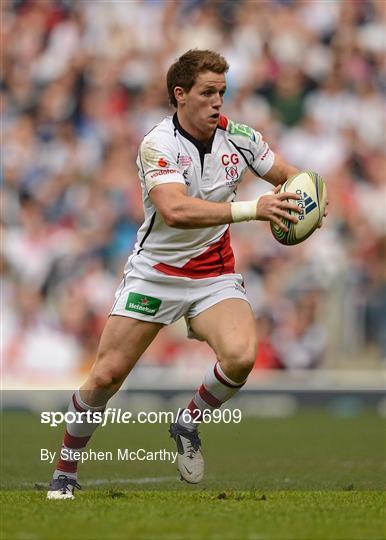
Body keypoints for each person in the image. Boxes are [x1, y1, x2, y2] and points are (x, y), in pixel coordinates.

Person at [47, 49, 305, 499]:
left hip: (214, 275)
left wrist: (308, 200)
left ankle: (188, 421)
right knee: (106, 376)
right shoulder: (157, 143)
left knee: (242, 357)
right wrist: (254, 209)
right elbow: (175, 209)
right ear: (180, 96)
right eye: (208, 93)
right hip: (156, 274)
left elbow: (289, 176)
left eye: (222, 93)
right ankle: (65, 470)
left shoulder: (241, 138)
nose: (217, 102)